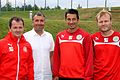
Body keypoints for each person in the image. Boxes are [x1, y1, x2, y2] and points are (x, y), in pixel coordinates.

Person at [52, 9, 93, 80]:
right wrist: (55, 74)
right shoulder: (60, 36)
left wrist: (88, 77)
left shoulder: (85, 36)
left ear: (78, 20)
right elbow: (56, 57)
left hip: (80, 77)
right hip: (62, 76)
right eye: (69, 19)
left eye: (74, 19)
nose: (71, 22)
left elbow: (89, 58)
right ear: (65, 20)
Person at [24, 12, 54, 80]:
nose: (39, 23)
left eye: (42, 21)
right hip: (32, 76)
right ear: (32, 22)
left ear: (44, 22)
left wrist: (53, 73)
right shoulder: (26, 37)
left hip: (47, 75)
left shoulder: (49, 36)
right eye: (37, 20)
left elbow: (51, 55)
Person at [91, 9, 120, 80]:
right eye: (101, 22)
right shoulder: (92, 38)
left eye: (106, 21)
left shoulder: (119, 37)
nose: (103, 24)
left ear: (111, 22)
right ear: (97, 23)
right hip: (97, 77)